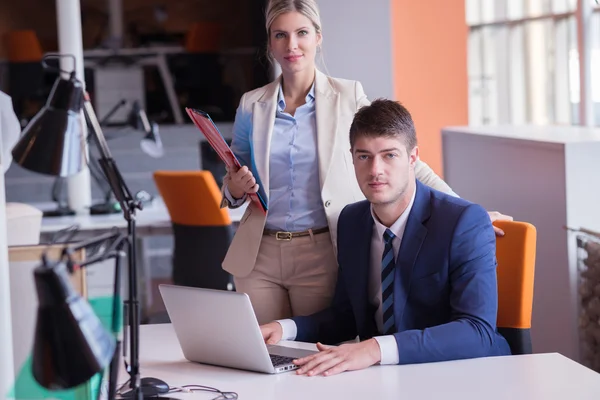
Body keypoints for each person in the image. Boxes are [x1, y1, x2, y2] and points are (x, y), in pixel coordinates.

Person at [221, 0, 511, 325]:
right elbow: (235, 176)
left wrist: (464, 213)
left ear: (318, 37)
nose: (292, 45)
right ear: (270, 43)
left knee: (316, 352)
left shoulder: (347, 96)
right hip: (259, 252)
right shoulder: (252, 104)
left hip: (320, 249)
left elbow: (398, 157)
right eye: (280, 35)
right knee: (263, 353)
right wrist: (233, 186)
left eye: (302, 33)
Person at [260, 99, 512, 375]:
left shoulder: (463, 222)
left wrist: (374, 348)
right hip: (388, 377)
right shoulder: (351, 221)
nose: (375, 170)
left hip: (466, 374)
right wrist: (284, 329)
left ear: (413, 158)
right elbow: (346, 317)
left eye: (389, 155)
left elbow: (477, 331)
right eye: (364, 156)